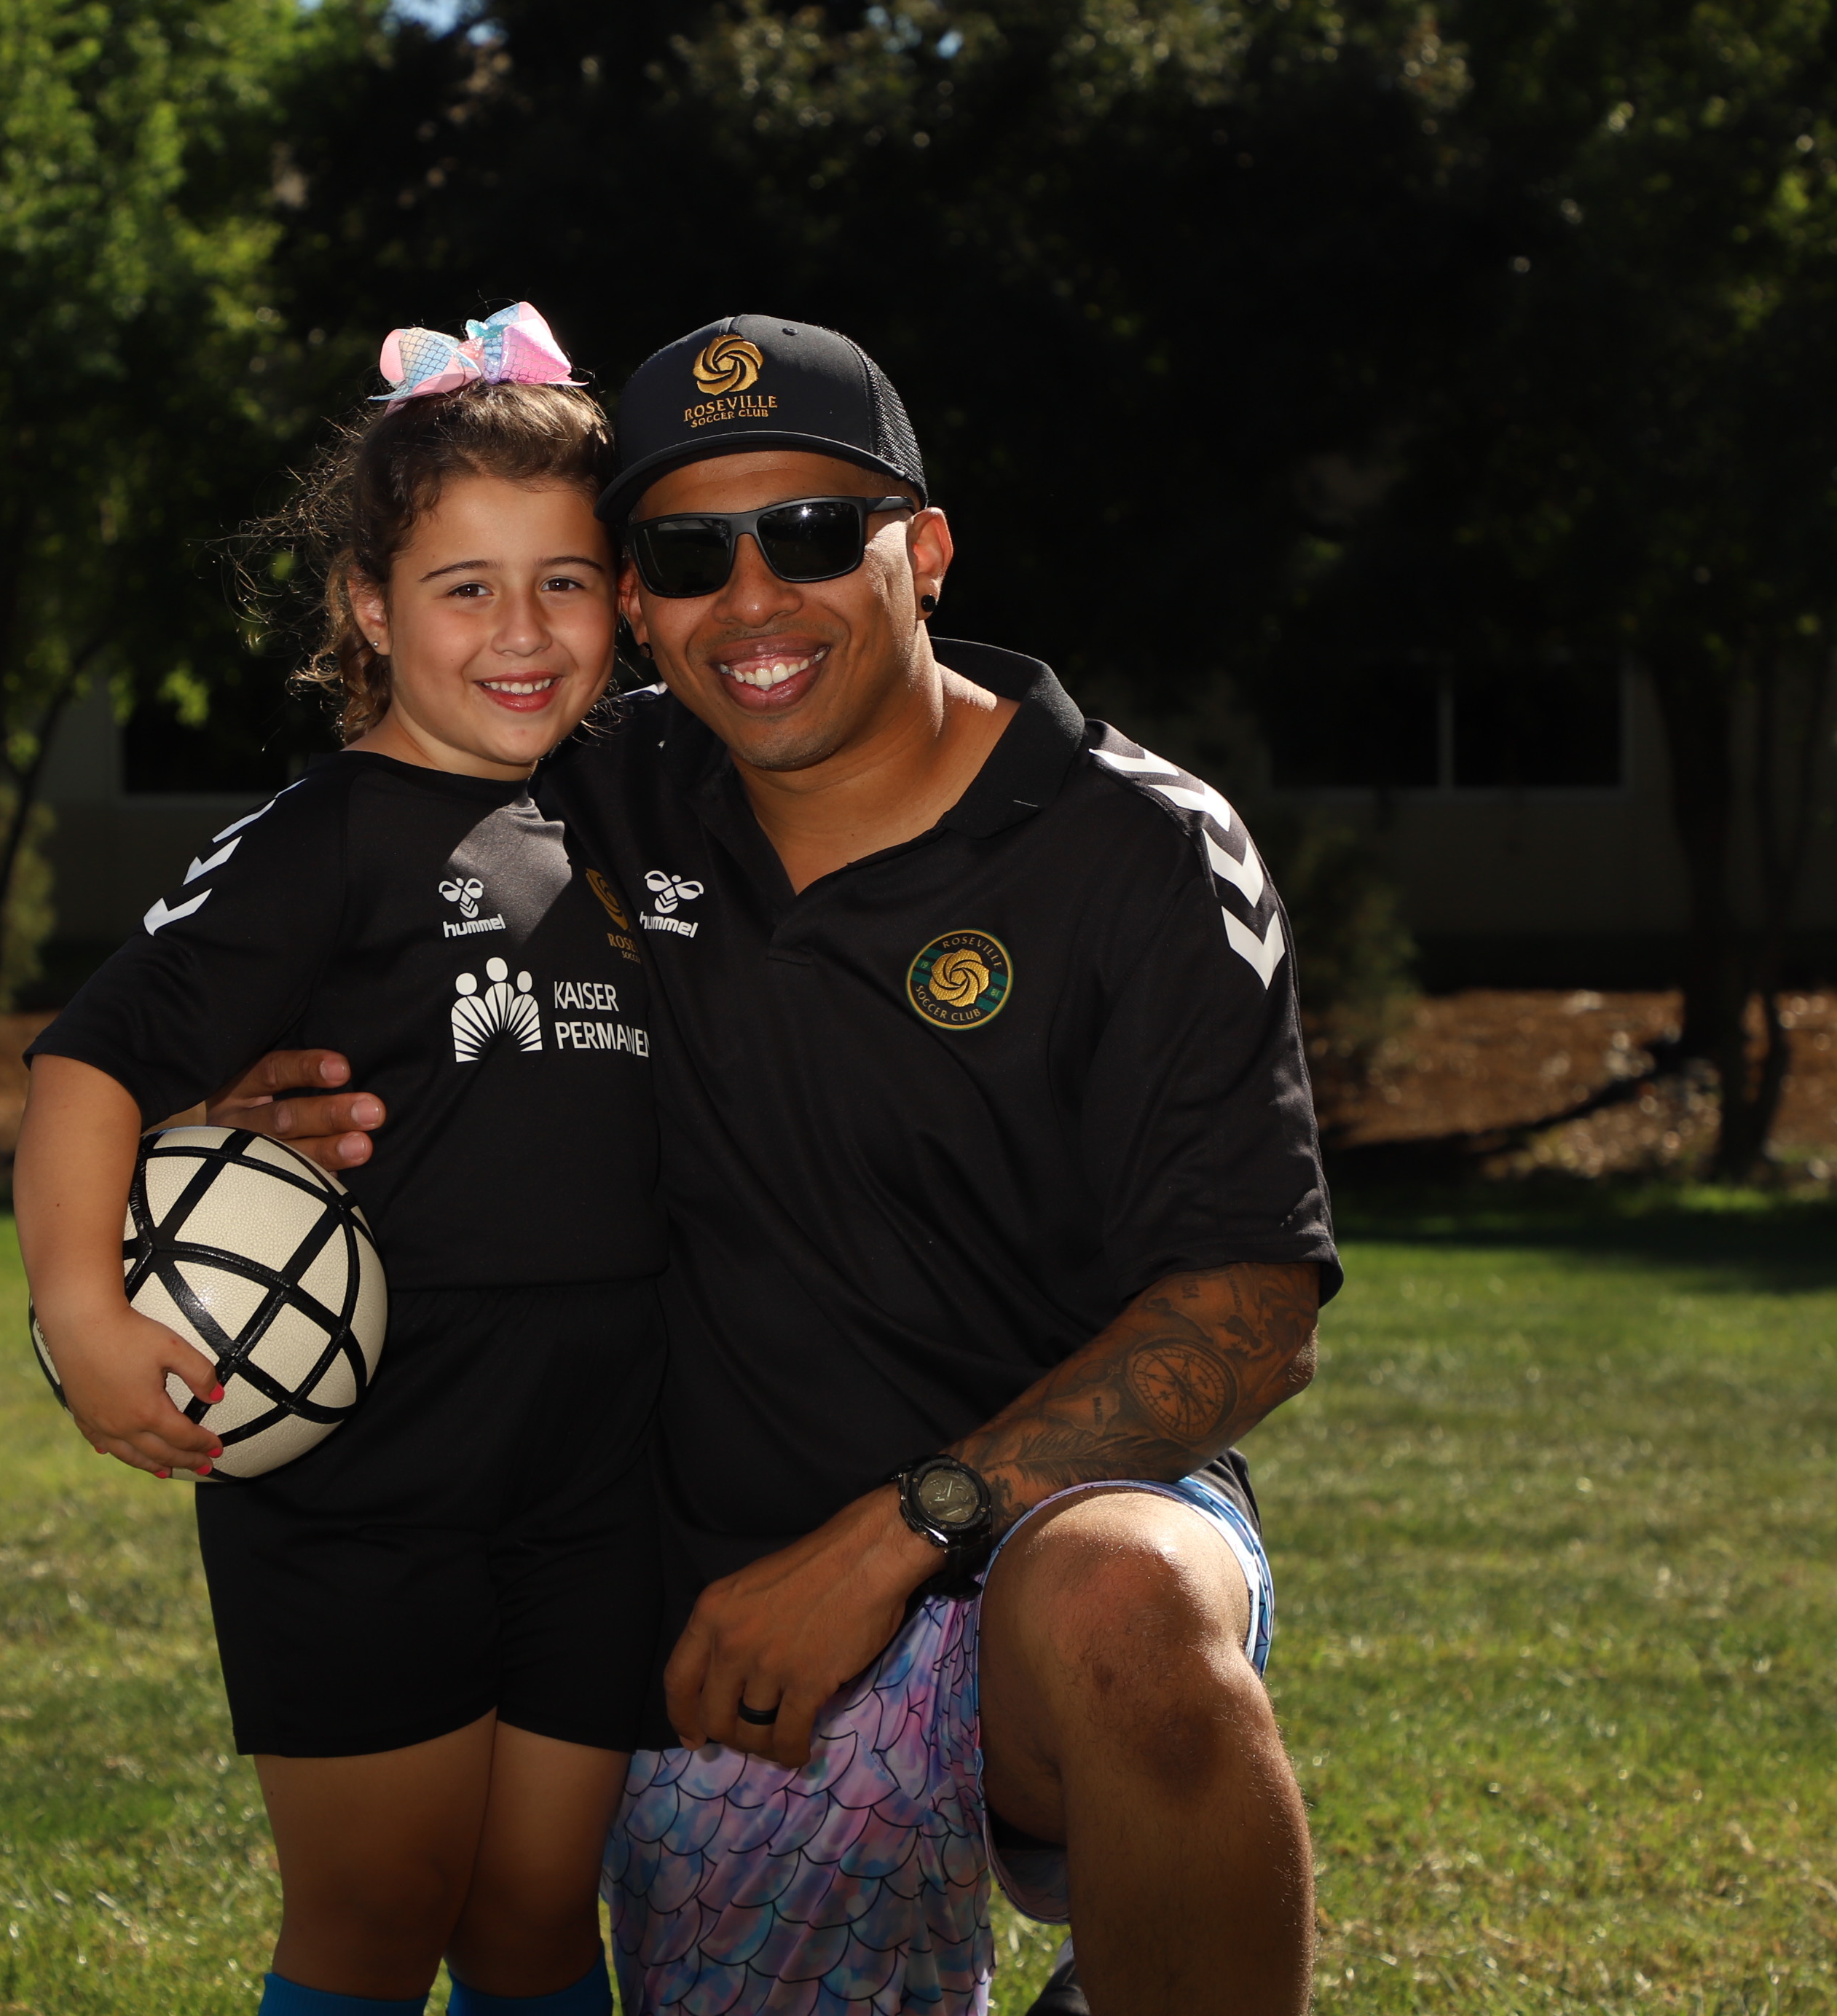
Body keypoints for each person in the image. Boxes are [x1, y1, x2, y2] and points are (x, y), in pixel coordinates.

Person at [215, 313, 1337, 2015]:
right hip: (718, 1621)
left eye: (812, 534)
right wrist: (251, 1113)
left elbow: (1253, 1309)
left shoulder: (1138, 842)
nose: (751, 599)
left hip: (1044, 1530)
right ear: (636, 599)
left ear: (925, 551)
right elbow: (311, 916)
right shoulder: (581, 794)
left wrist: (898, 1534)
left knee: (1128, 1608)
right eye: (685, 554)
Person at [11, 306, 662, 2016]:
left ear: (622, 597)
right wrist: (81, 1311)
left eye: (565, 581)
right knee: (378, 1912)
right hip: (367, 1473)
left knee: (536, 1916)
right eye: (464, 588)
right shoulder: (318, 840)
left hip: (605, 1473)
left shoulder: (634, 813)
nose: (521, 632)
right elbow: (87, 1060)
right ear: (369, 606)